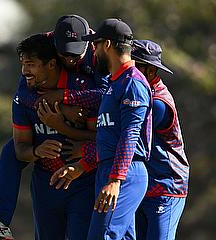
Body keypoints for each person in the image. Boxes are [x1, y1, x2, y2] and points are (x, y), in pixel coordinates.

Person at [0, 15, 107, 240]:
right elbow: (22, 97)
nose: (71, 60)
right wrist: (58, 110)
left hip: (83, 177)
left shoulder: (95, 58)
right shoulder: (38, 53)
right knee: (9, 150)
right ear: (55, 49)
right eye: (65, 54)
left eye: (77, 54)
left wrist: (65, 102)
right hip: (47, 180)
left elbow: (107, 98)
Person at [51, 18, 153, 239]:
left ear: (106, 44)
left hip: (125, 173)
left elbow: (130, 135)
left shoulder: (132, 83)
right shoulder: (114, 83)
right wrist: (82, 166)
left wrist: (116, 180)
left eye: (95, 45)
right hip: (109, 170)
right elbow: (108, 138)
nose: (93, 52)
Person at [132, 40, 189, 240]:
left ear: (150, 71)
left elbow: (127, 136)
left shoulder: (158, 104)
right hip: (144, 186)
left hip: (166, 186)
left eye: (136, 66)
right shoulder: (139, 93)